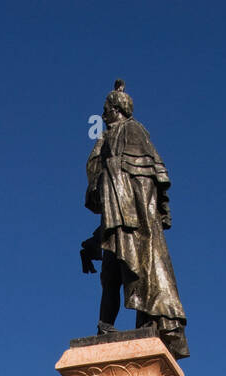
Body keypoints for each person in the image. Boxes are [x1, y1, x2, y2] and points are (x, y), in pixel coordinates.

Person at [81, 79, 188, 360]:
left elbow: (149, 181)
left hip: (137, 223)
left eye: (106, 108)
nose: (103, 114)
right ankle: (106, 328)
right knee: (113, 274)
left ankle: (148, 322)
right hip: (119, 222)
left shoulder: (133, 132)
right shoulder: (107, 142)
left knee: (140, 270)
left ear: (116, 109)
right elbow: (102, 186)